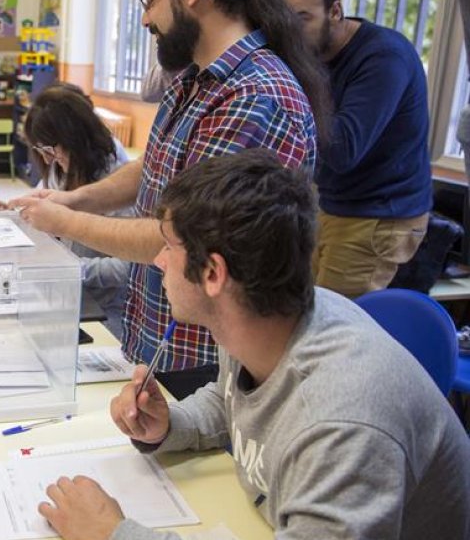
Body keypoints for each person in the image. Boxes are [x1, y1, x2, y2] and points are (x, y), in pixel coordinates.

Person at [38, 150, 470, 540]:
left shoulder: (344, 422)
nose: (159, 261)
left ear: (213, 274)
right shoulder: (262, 318)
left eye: (169, 246)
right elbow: (235, 400)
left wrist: (112, 535)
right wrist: (172, 425)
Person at [10, 0, 330, 399]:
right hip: (158, 330)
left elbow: (181, 236)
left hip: (205, 353)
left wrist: (63, 223)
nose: (145, 20)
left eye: (149, 1)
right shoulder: (194, 80)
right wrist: (76, 200)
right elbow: (157, 165)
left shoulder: (254, 96)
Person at [277, 0, 432, 298]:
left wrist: (293, 82)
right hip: (333, 204)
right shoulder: (315, 53)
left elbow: (343, 149)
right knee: (301, 309)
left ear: (335, 11)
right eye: (285, 22)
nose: (292, 33)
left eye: (303, 18)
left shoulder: (383, 58)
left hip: (377, 217)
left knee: (331, 330)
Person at [23, 82, 132, 341]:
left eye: (50, 150)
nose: (48, 160)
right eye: (41, 151)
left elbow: (129, 269)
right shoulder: (63, 168)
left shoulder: (116, 181)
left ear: (74, 139)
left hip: (105, 313)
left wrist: (72, 268)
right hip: (70, 299)